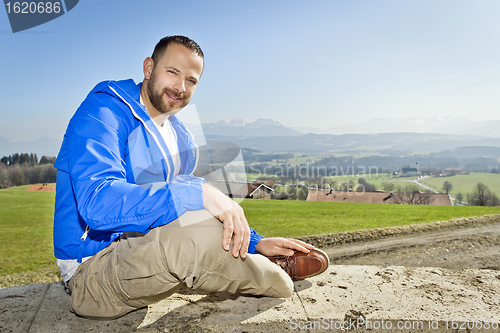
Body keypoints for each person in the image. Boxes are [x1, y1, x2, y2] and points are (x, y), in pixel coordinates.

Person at [53, 35, 328, 319]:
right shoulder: (102, 113)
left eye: (191, 80)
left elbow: (193, 210)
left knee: (194, 225)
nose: (180, 87)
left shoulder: (180, 134)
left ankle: (258, 254)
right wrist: (197, 192)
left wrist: (256, 241)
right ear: (149, 68)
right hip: (93, 271)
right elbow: (98, 205)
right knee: (189, 240)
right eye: (172, 72)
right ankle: (274, 276)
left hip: (145, 246)